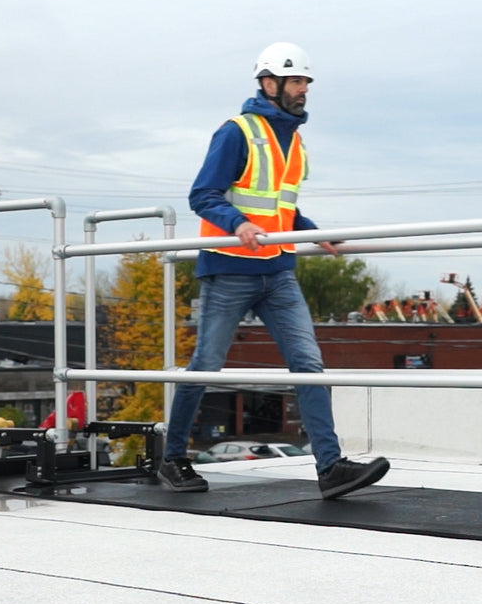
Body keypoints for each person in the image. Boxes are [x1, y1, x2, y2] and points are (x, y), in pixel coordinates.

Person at [159, 41, 390, 499]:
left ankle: (331, 468)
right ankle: (173, 458)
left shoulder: (295, 142)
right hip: (229, 268)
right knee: (206, 366)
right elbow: (203, 195)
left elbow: (282, 209)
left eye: (306, 81)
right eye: (296, 81)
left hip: (279, 271)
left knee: (308, 365)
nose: (304, 89)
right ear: (269, 83)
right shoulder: (237, 132)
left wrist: (313, 233)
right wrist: (237, 224)